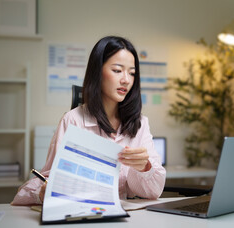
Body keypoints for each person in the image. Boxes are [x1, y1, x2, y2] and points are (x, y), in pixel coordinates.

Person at [12, 36, 166, 205]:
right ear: (97, 71)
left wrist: (145, 167)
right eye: (117, 70)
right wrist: (41, 192)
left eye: (132, 73)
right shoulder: (73, 120)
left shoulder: (140, 123)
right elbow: (45, 180)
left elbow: (154, 192)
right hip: (82, 218)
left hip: (126, 219)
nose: (126, 80)